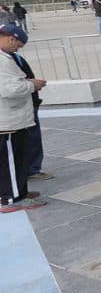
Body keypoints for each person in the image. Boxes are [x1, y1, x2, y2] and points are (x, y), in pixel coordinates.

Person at [0, 24, 46, 213]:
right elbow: (9, 89)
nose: (17, 50)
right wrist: (32, 85)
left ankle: (18, 191)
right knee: (11, 160)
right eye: (17, 45)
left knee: (16, 159)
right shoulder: (2, 61)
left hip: (12, 119)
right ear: (11, 38)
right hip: (7, 121)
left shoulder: (5, 58)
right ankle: (11, 198)